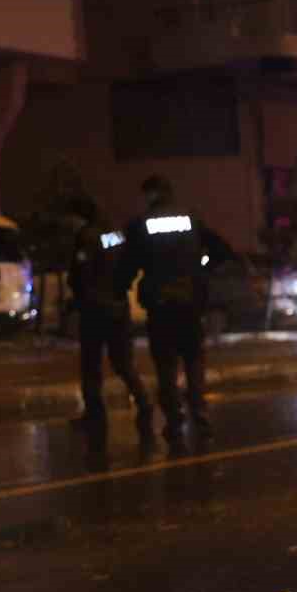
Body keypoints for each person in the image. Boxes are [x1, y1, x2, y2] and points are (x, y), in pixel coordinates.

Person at [114, 174, 213, 451]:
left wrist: (117, 288)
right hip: (190, 306)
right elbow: (220, 249)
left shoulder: (141, 225)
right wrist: (201, 268)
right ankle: (201, 418)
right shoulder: (190, 219)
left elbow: (124, 259)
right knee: (194, 364)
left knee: (166, 368)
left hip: (161, 308)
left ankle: (174, 422)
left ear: (150, 195)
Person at [66, 196, 153, 442]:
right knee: (123, 361)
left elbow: (78, 275)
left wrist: (79, 294)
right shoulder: (115, 234)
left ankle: (95, 415)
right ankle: (144, 401)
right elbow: (127, 264)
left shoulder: (86, 237)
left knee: (91, 365)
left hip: (95, 309)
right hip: (118, 306)